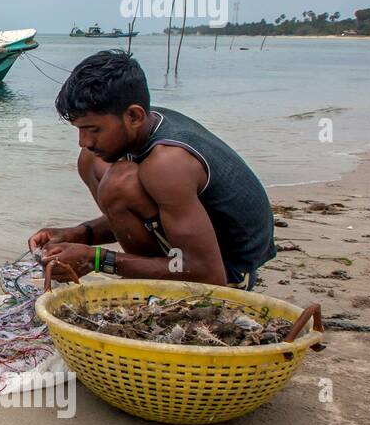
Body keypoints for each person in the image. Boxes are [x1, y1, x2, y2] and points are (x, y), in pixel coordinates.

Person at [28, 49, 276, 288]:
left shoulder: (169, 161)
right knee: (91, 160)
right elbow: (145, 214)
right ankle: (150, 278)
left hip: (226, 273)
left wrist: (95, 260)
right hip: (198, 253)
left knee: (119, 183)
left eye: (94, 129)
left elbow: (209, 275)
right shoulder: (144, 124)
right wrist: (78, 235)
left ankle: (156, 285)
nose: (84, 141)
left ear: (134, 116)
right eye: (79, 130)